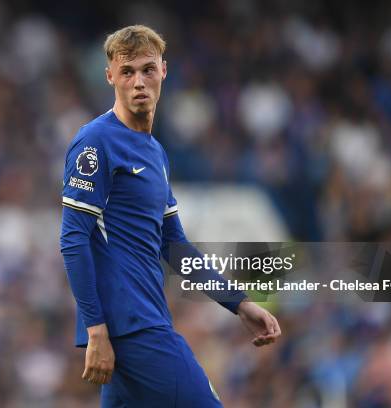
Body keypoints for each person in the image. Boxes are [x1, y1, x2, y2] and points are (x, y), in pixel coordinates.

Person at [60, 25, 281, 407]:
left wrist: (238, 302)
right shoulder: (95, 141)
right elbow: (73, 238)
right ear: (110, 75)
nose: (138, 81)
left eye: (147, 69)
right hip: (134, 328)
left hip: (139, 323)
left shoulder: (155, 153)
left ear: (164, 70)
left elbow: (175, 246)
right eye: (127, 72)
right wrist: (95, 331)